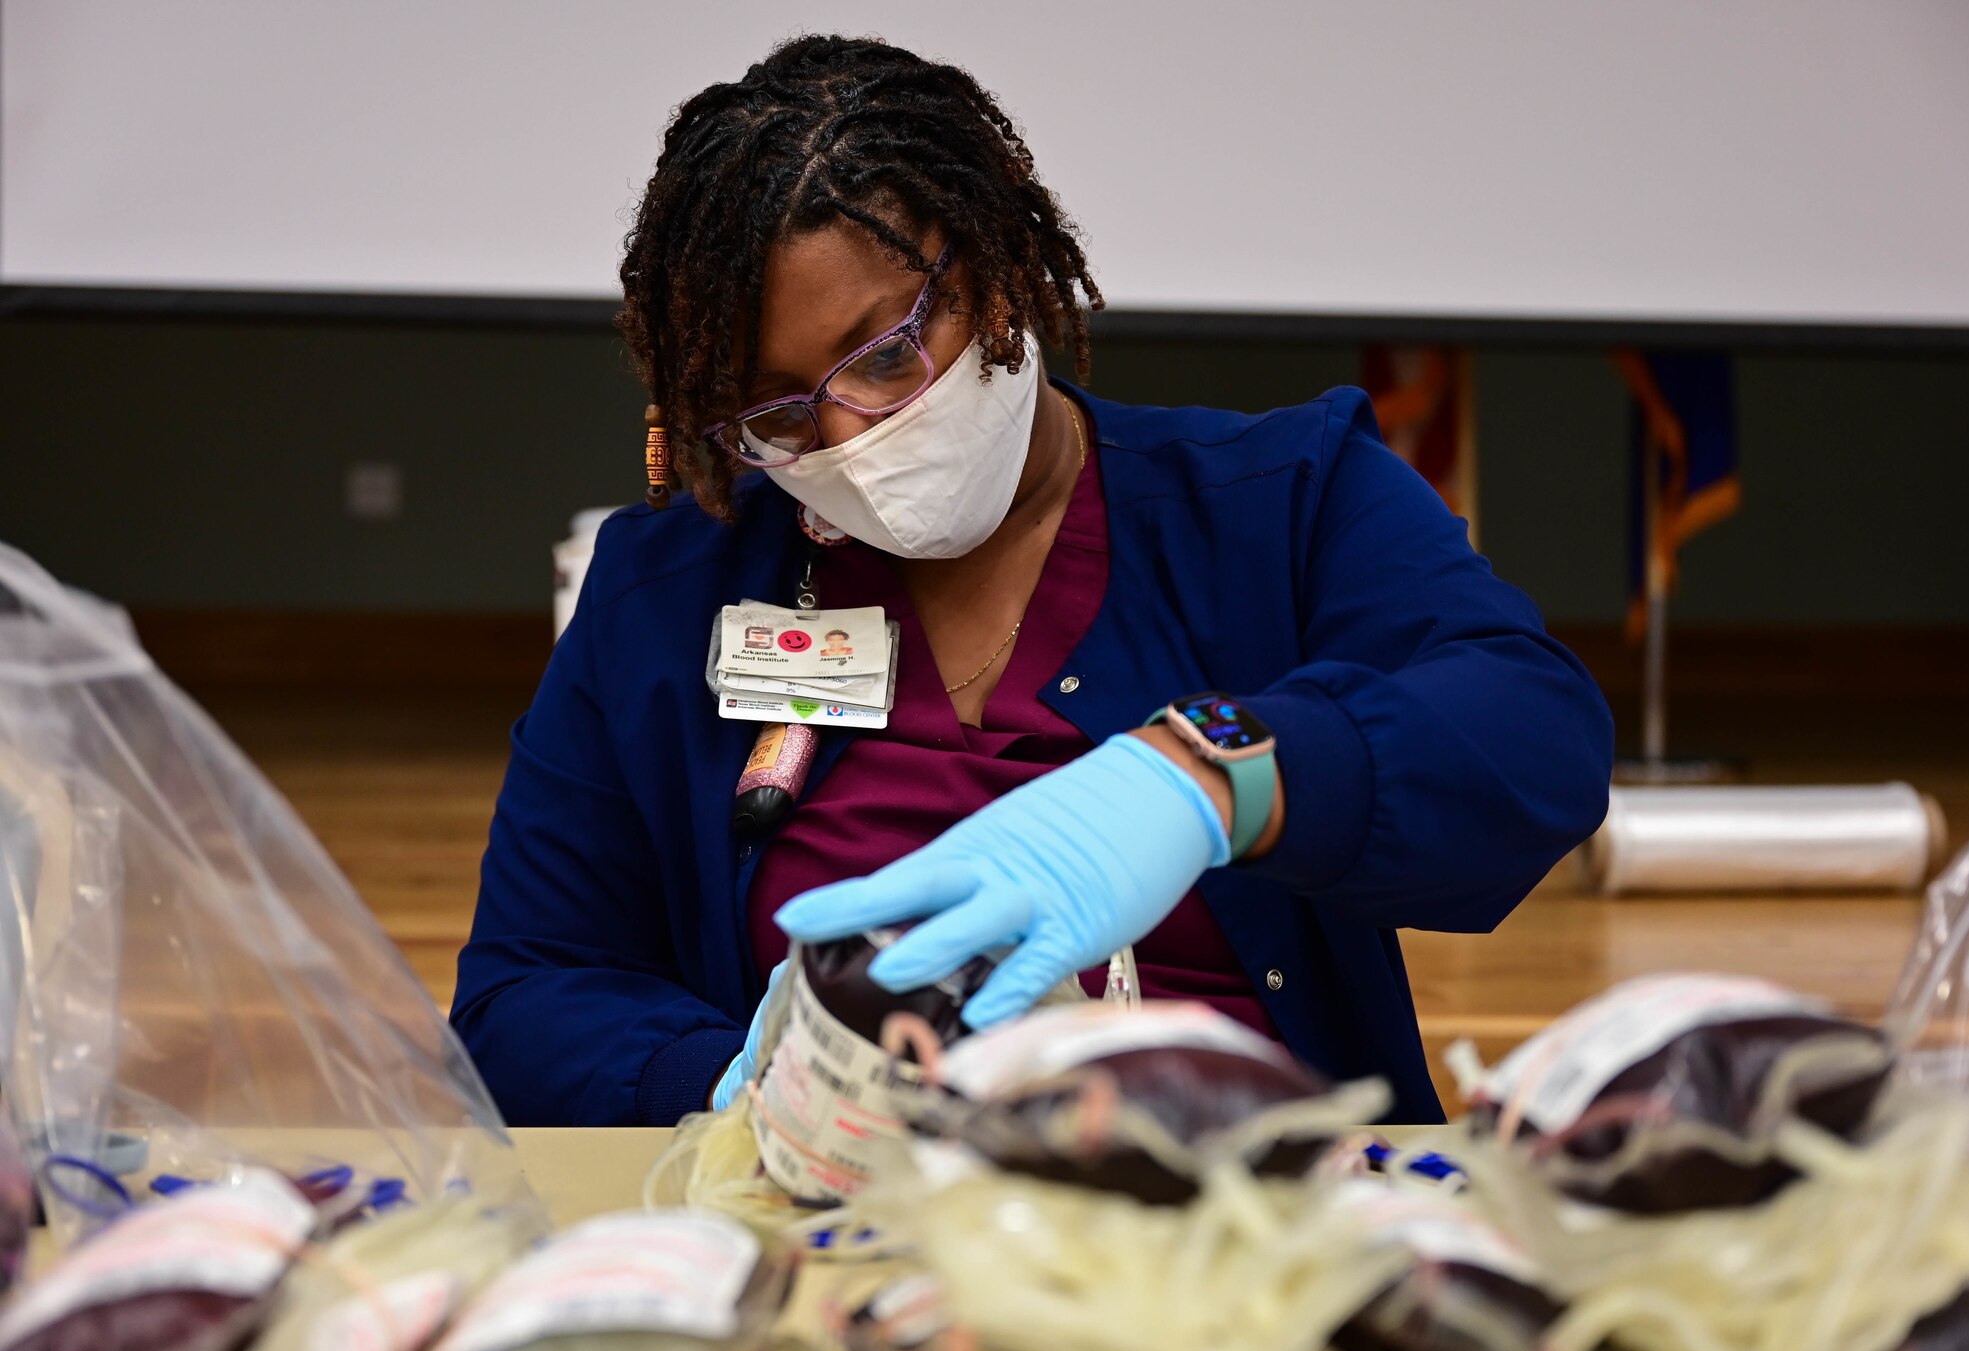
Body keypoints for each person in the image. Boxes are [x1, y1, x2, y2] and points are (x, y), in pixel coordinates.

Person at [450, 35, 1613, 1127]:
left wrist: (1202, 780)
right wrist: (731, 1088)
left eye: (887, 354)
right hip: (842, 1218)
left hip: (1250, 1211)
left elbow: (1529, 738)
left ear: (996, 274)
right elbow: (525, 993)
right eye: (775, 410)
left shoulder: (1283, 501)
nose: (848, 433)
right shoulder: (670, 591)